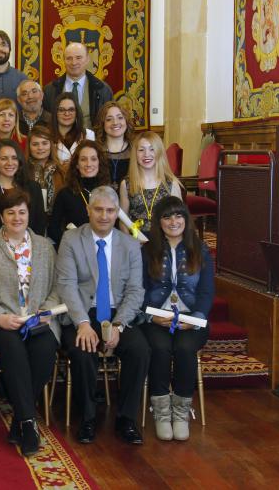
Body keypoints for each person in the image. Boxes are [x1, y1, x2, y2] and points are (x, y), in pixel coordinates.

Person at [56, 186, 148, 446]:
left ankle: (126, 419)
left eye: (110, 210)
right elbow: (66, 285)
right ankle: (87, 418)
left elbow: (135, 290)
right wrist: (83, 323)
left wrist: (119, 325)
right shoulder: (71, 240)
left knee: (140, 350)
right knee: (82, 350)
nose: (104, 216)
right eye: (98, 210)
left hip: (118, 313)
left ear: (117, 212)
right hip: (83, 311)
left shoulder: (130, 245)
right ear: (88, 210)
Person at [0, 189, 61, 457]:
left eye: (22, 212)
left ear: (29, 214)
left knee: (45, 349)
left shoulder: (46, 247)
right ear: (1, 217)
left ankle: (20, 419)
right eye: (10, 212)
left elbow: (57, 288)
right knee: (13, 349)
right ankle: (29, 423)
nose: (17, 217)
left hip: (39, 320)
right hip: (1, 323)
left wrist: (47, 311)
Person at [141, 196, 213, 442]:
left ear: (186, 219)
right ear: (158, 221)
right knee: (160, 349)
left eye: (178, 215)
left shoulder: (200, 250)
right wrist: (150, 316)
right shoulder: (147, 250)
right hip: (156, 317)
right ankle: (162, 413)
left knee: (184, 349)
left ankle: (181, 413)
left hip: (192, 317)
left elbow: (206, 292)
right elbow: (139, 288)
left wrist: (197, 319)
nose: (174, 221)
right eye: (167, 216)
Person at [0, 140, 46, 241]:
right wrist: (3, 243)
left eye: (14, 158)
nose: (10, 163)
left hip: (29, 245)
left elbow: (40, 224)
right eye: (4, 159)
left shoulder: (33, 188)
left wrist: (25, 243)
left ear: (19, 161)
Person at [48, 140, 110, 246]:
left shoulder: (108, 193)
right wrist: (73, 243)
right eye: (83, 159)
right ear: (77, 164)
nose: (89, 164)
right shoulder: (65, 194)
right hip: (75, 250)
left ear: (99, 163)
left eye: (93, 159)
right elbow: (53, 230)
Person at [120, 131, 183, 235]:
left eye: (152, 149)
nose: (146, 154)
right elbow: (123, 221)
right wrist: (130, 243)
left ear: (159, 152)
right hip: (136, 240)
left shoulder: (172, 184)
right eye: (141, 150)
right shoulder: (126, 184)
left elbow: (180, 220)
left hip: (164, 239)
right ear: (135, 154)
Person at [44, 42, 114, 128]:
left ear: (87, 59)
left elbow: (109, 121)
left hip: (92, 136)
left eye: (78, 58)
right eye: (69, 58)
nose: (74, 63)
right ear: (64, 60)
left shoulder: (103, 89)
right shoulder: (50, 90)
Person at [26, 125, 65, 218]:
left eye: (44, 143)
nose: (40, 148)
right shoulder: (22, 172)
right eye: (35, 144)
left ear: (51, 145)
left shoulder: (62, 172)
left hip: (57, 221)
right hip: (30, 220)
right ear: (29, 147)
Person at [94, 101, 133, 190]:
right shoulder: (94, 150)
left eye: (120, 117)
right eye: (109, 119)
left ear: (126, 121)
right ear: (102, 123)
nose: (115, 122)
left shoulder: (135, 148)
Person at [50, 91, 95, 164]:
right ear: (56, 113)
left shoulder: (88, 135)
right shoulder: (47, 135)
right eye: (61, 110)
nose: (66, 113)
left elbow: (92, 162)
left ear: (77, 113)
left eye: (71, 110)